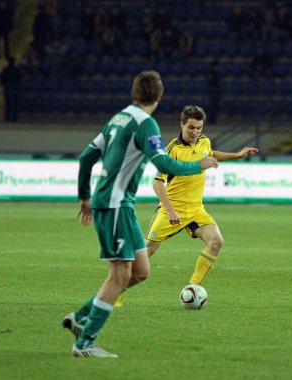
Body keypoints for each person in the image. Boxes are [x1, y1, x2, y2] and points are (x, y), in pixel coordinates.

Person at [62, 71, 218, 359]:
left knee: (141, 271)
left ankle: (81, 316)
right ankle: (84, 343)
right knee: (120, 275)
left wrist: (85, 195)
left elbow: (86, 156)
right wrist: (201, 164)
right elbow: (163, 162)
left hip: (122, 205)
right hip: (114, 204)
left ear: (134, 93)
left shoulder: (117, 118)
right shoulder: (146, 124)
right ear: (158, 97)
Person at [146, 105, 258, 288]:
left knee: (216, 241)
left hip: (196, 209)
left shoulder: (203, 141)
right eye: (191, 127)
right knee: (148, 250)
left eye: (199, 128)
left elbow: (211, 154)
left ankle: (193, 288)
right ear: (182, 124)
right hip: (172, 209)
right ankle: (117, 289)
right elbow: (157, 183)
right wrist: (171, 210)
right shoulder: (170, 150)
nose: (195, 132)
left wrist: (237, 155)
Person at [0, 57, 22, 122]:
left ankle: (11, 117)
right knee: (9, 104)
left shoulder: (14, 70)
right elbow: (2, 79)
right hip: (9, 89)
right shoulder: (12, 70)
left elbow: (19, 79)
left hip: (13, 89)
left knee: (11, 104)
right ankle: (10, 117)